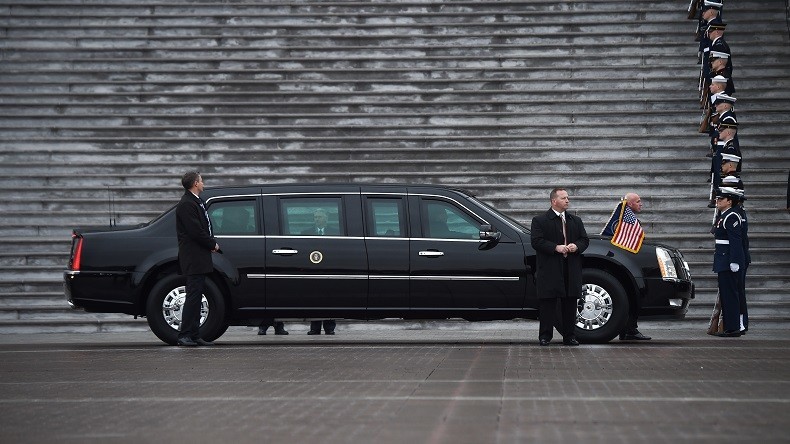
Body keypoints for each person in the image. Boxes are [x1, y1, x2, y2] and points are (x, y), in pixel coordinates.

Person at [530, 188, 589, 346]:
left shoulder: (575, 221)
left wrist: (576, 246)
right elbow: (536, 241)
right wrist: (556, 247)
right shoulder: (540, 220)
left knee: (570, 304)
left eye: (568, 198)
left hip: (571, 268)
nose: (567, 200)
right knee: (548, 304)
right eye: (563, 198)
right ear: (553, 201)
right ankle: (545, 336)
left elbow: (585, 240)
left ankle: (569, 336)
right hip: (550, 269)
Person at [175, 171, 220, 346]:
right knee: (193, 296)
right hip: (194, 257)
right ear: (195, 183)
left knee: (196, 295)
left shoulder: (195, 201)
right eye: (201, 180)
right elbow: (195, 231)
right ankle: (184, 334)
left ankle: (194, 334)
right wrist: (212, 244)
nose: (203, 183)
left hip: (199, 256)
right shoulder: (187, 204)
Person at [601, 193, 651, 341]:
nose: (641, 203)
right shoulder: (622, 221)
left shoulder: (628, 218)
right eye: (638, 201)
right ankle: (629, 330)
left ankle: (629, 329)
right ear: (629, 204)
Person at [711, 186, 745, 337]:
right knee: (726, 294)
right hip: (722, 259)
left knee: (730, 294)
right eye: (717, 199)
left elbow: (736, 241)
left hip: (728, 260)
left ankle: (733, 328)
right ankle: (729, 326)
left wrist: (735, 261)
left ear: (729, 201)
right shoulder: (724, 214)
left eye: (721, 199)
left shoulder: (732, 216)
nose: (717, 201)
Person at [302, 209, 337, 335]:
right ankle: (314, 328)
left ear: (326, 218)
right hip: (313, 270)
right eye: (315, 217)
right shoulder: (305, 233)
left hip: (329, 270)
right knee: (315, 299)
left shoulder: (335, 232)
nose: (317, 219)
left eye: (320, 217)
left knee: (330, 298)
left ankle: (330, 328)